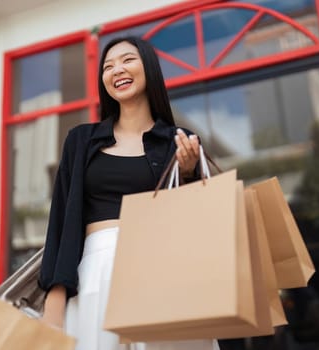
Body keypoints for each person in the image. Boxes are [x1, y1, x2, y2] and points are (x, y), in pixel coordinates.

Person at [38, 36, 219, 350]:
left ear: (148, 67)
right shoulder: (81, 140)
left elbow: (198, 223)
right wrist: (53, 307)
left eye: (127, 60)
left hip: (166, 270)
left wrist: (189, 174)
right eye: (107, 66)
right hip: (97, 271)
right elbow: (61, 224)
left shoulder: (179, 140)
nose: (116, 70)